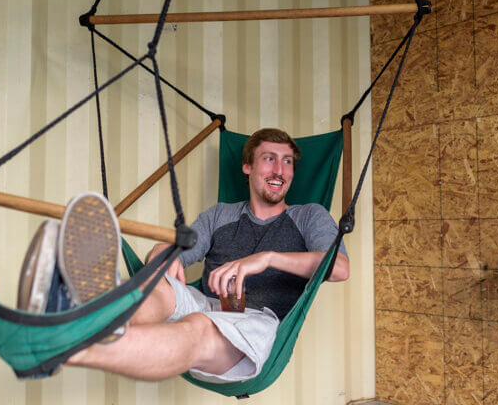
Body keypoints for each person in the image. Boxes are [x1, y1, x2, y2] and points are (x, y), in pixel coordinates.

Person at [18, 128, 349, 382]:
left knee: (199, 326)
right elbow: (175, 253)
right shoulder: (219, 215)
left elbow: (339, 268)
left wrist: (267, 258)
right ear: (247, 167)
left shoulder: (310, 215)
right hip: (205, 301)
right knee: (161, 288)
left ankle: (63, 342)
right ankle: (77, 310)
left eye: (287, 161)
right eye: (269, 158)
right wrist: (162, 253)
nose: (280, 169)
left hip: (260, 323)